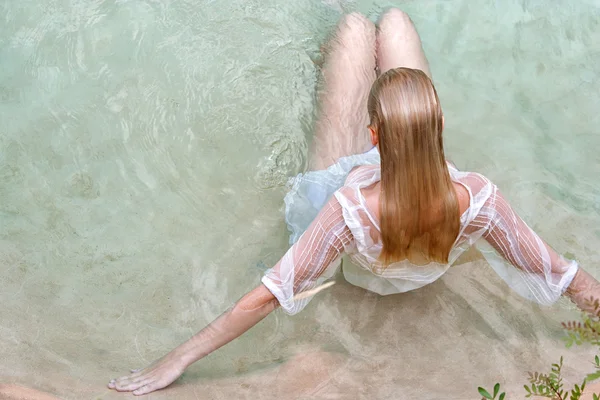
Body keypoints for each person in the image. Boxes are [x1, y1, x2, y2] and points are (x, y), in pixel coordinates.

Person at [108, 9, 600, 396]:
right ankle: (366, 56)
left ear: (373, 136)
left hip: (367, 238)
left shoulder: (348, 209)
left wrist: (178, 358)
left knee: (353, 29)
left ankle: (338, 47)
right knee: (397, 23)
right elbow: (562, 273)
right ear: (440, 127)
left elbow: (269, 294)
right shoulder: (480, 199)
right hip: (421, 234)